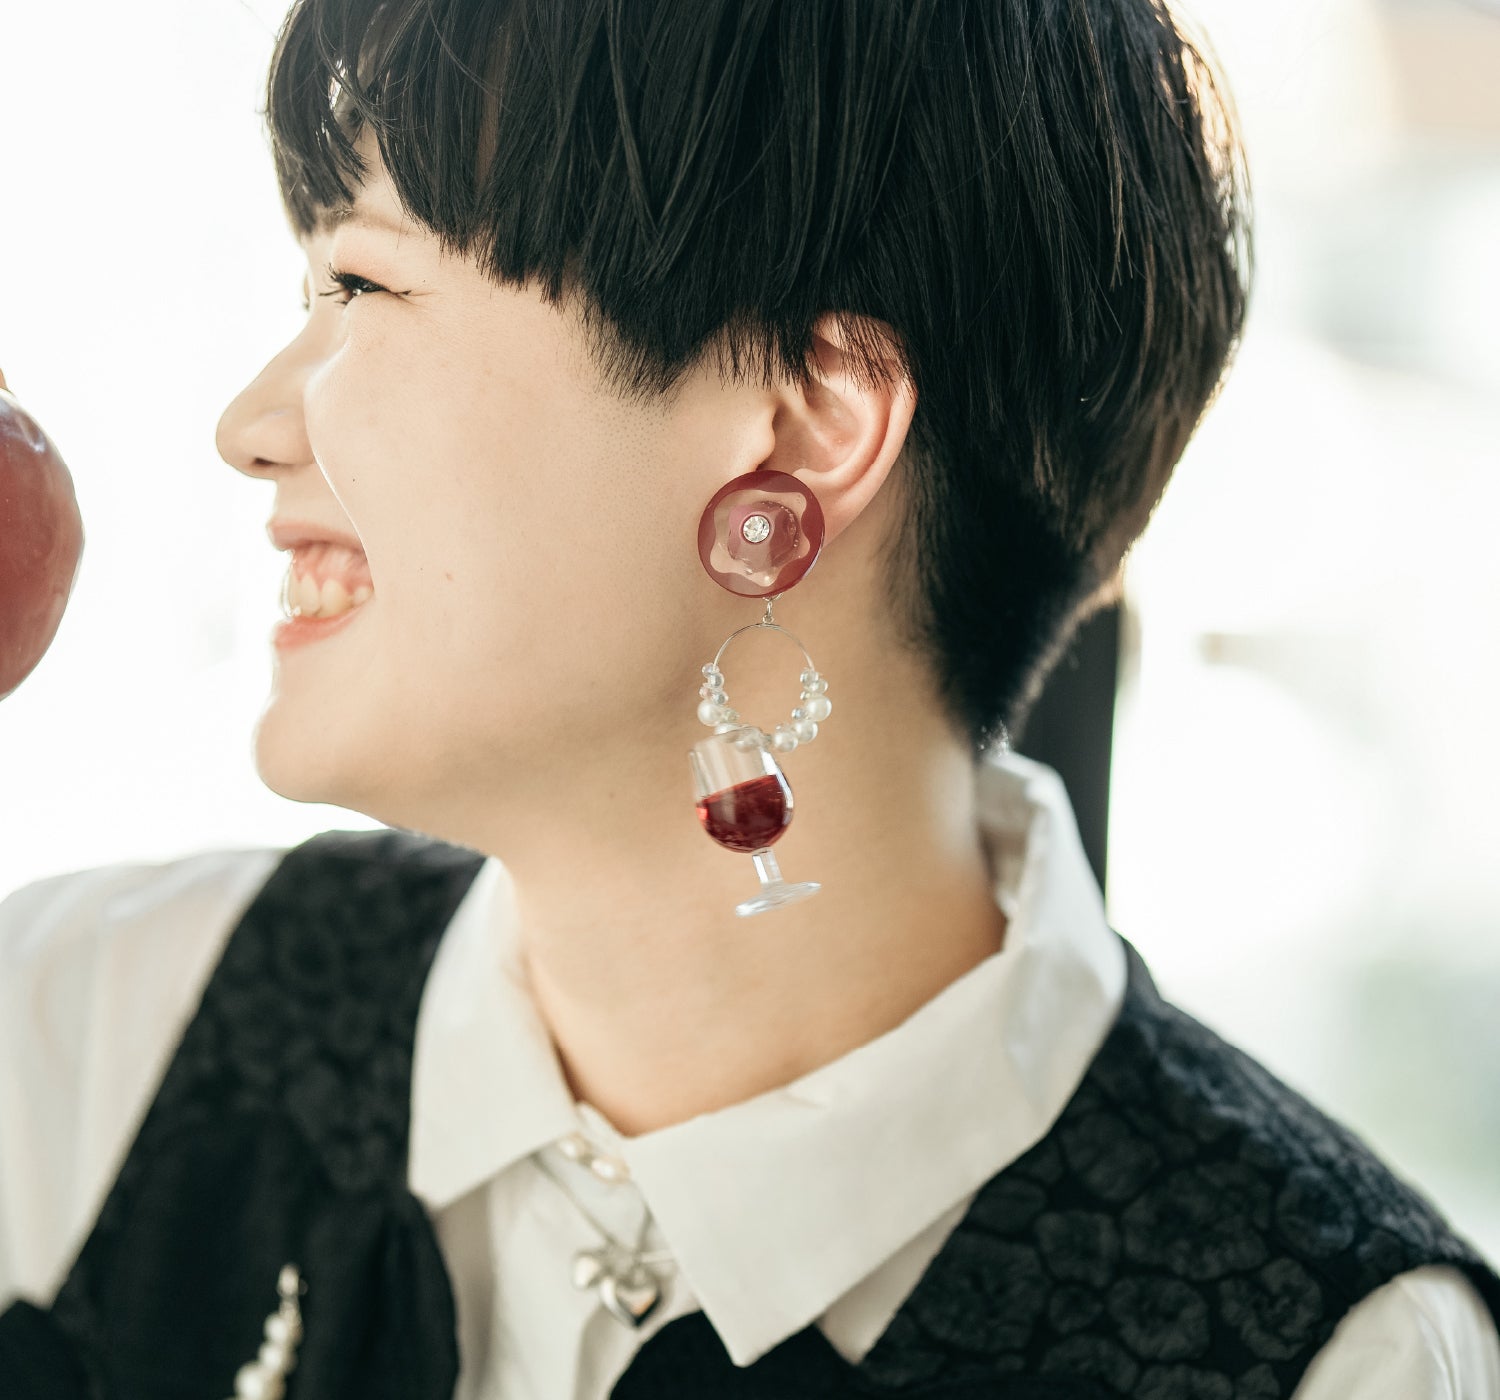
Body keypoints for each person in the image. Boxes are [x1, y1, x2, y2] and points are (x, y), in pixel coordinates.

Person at [1, 0, 1497, 1395]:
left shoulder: (1343, 1353)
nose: (250, 426)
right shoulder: (84, 1023)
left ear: (806, 426)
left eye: (362, 284)